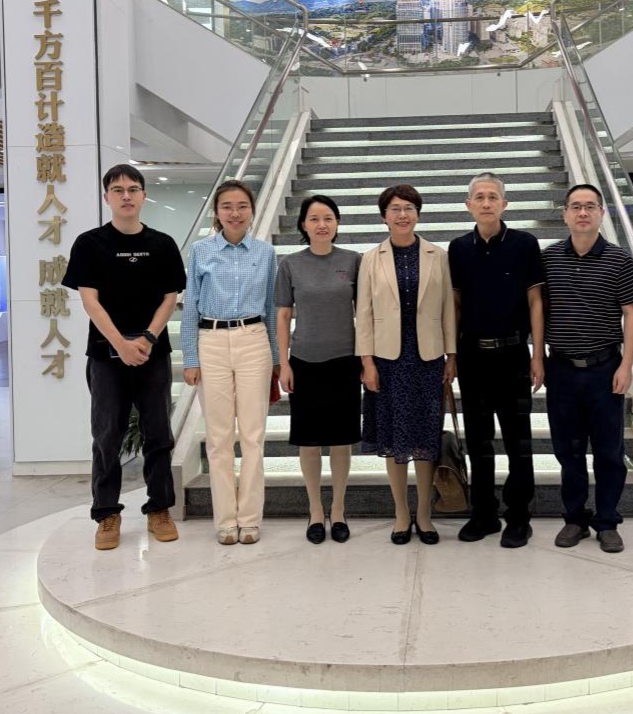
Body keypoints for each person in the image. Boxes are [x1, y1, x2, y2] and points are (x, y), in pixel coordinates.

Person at [62, 164, 187, 551]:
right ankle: (107, 514)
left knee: (158, 434)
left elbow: (170, 297)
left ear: (144, 195)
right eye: (118, 190)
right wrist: (119, 343)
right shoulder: (89, 243)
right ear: (107, 197)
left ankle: (159, 509)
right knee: (106, 436)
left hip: (153, 353)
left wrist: (146, 338)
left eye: (133, 189)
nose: (126, 195)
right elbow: (90, 301)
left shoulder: (163, 244)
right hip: (105, 355)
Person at [447, 172, 545, 548]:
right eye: (479, 197)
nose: (486, 203)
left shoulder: (524, 244)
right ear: (468, 205)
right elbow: (456, 305)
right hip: (472, 357)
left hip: (514, 355)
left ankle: (518, 516)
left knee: (519, 442)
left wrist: (538, 353)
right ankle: (483, 513)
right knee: (478, 440)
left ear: (504, 204)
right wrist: (451, 354)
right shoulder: (459, 248)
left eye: (492, 197)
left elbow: (536, 301)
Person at [542, 183, 633, 553]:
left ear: (601, 213)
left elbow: (631, 314)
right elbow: (538, 309)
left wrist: (626, 365)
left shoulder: (619, 260)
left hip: (605, 368)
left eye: (590, 206)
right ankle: (574, 519)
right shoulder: (549, 258)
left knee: (609, 451)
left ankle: (608, 521)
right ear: (565, 214)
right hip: (561, 369)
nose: (583, 213)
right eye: (576, 206)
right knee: (568, 451)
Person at [180, 179, 279, 546]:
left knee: (253, 436)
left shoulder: (265, 253)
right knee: (219, 438)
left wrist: (276, 359)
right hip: (211, 342)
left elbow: (271, 308)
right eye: (227, 206)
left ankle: (250, 519)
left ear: (251, 210)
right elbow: (190, 307)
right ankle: (225, 521)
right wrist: (190, 357)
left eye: (242, 206)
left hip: (254, 340)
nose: (235, 213)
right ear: (217, 212)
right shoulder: (201, 251)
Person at [357, 184, 457, 546]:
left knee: (426, 438)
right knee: (395, 437)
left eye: (409, 208)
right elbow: (364, 314)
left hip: (428, 359)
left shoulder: (437, 255)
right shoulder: (371, 258)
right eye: (395, 209)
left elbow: (447, 308)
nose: (402, 215)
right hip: (387, 361)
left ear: (418, 214)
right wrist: (366, 362)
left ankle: (425, 515)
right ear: (384, 216)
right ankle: (401, 513)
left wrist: (451, 355)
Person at [276, 195, 362, 544]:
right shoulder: (290, 264)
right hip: (304, 363)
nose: (321, 224)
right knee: (308, 442)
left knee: (341, 442)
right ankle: (315, 510)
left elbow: (364, 313)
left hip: (345, 362)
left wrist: (366, 358)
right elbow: (283, 315)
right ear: (303, 225)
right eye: (314, 218)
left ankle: (338, 509)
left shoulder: (354, 261)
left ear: (337, 223)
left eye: (328, 218)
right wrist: (283, 362)